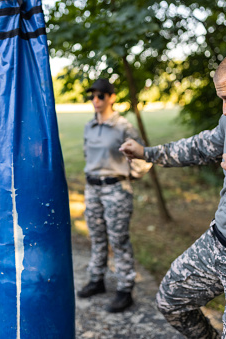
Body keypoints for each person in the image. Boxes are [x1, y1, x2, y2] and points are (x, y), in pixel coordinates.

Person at [120, 42, 226, 337]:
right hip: (214, 245)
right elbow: (199, 147)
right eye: (222, 99)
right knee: (171, 303)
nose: (225, 109)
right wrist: (147, 153)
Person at [76, 78, 150, 313]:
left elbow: (142, 157)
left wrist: (129, 177)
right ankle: (97, 280)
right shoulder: (89, 126)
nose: (96, 100)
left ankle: (125, 288)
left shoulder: (123, 127)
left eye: (101, 96)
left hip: (115, 190)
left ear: (112, 97)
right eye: (93, 96)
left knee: (118, 240)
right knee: (97, 237)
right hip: (93, 189)